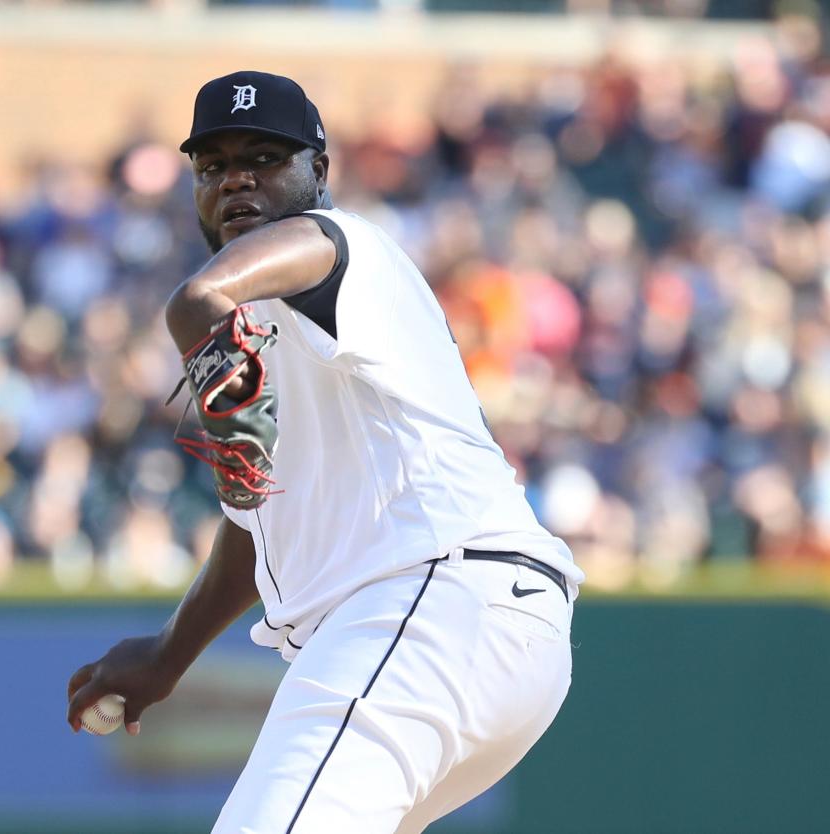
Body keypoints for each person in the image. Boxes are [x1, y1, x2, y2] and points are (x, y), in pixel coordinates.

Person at [67, 70, 584, 834]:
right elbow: (255, 525)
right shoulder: (269, 322)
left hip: (432, 603)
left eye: (264, 158)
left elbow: (199, 299)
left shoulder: (346, 248)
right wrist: (170, 655)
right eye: (213, 167)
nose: (236, 179)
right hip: (464, 629)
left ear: (319, 170)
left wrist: (199, 307)